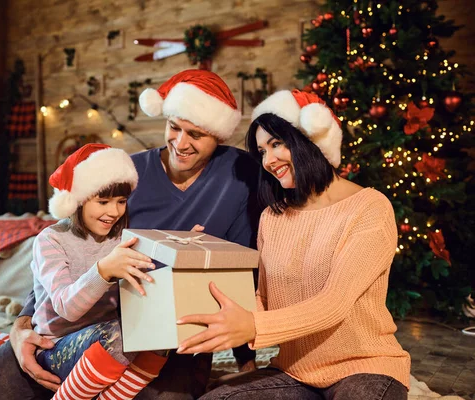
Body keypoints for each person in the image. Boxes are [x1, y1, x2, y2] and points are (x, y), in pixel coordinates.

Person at [0, 69, 260, 400]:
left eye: (196, 135)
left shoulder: (238, 176)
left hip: (174, 333)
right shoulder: (126, 176)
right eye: (174, 127)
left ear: (218, 135)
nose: (180, 143)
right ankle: (0, 349)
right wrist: (21, 326)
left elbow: (240, 270)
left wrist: (247, 361)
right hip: (94, 325)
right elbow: (65, 258)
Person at [176, 89, 411, 399]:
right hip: (294, 372)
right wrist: (203, 295)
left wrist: (254, 326)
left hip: (366, 367)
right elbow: (264, 298)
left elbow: (333, 305)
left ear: (308, 141)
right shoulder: (272, 218)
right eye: (261, 151)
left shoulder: (369, 208)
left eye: (277, 144)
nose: (269, 160)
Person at [30, 143, 170, 400]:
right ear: (79, 200)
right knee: (116, 336)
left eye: (121, 201)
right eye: (102, 201)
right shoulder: (50, 240)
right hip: (56, 346)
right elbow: (67, 308)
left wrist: (183, 249)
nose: (113, 212)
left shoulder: (120, 239)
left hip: (105, 347)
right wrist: (104, 270)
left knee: (161, 334)